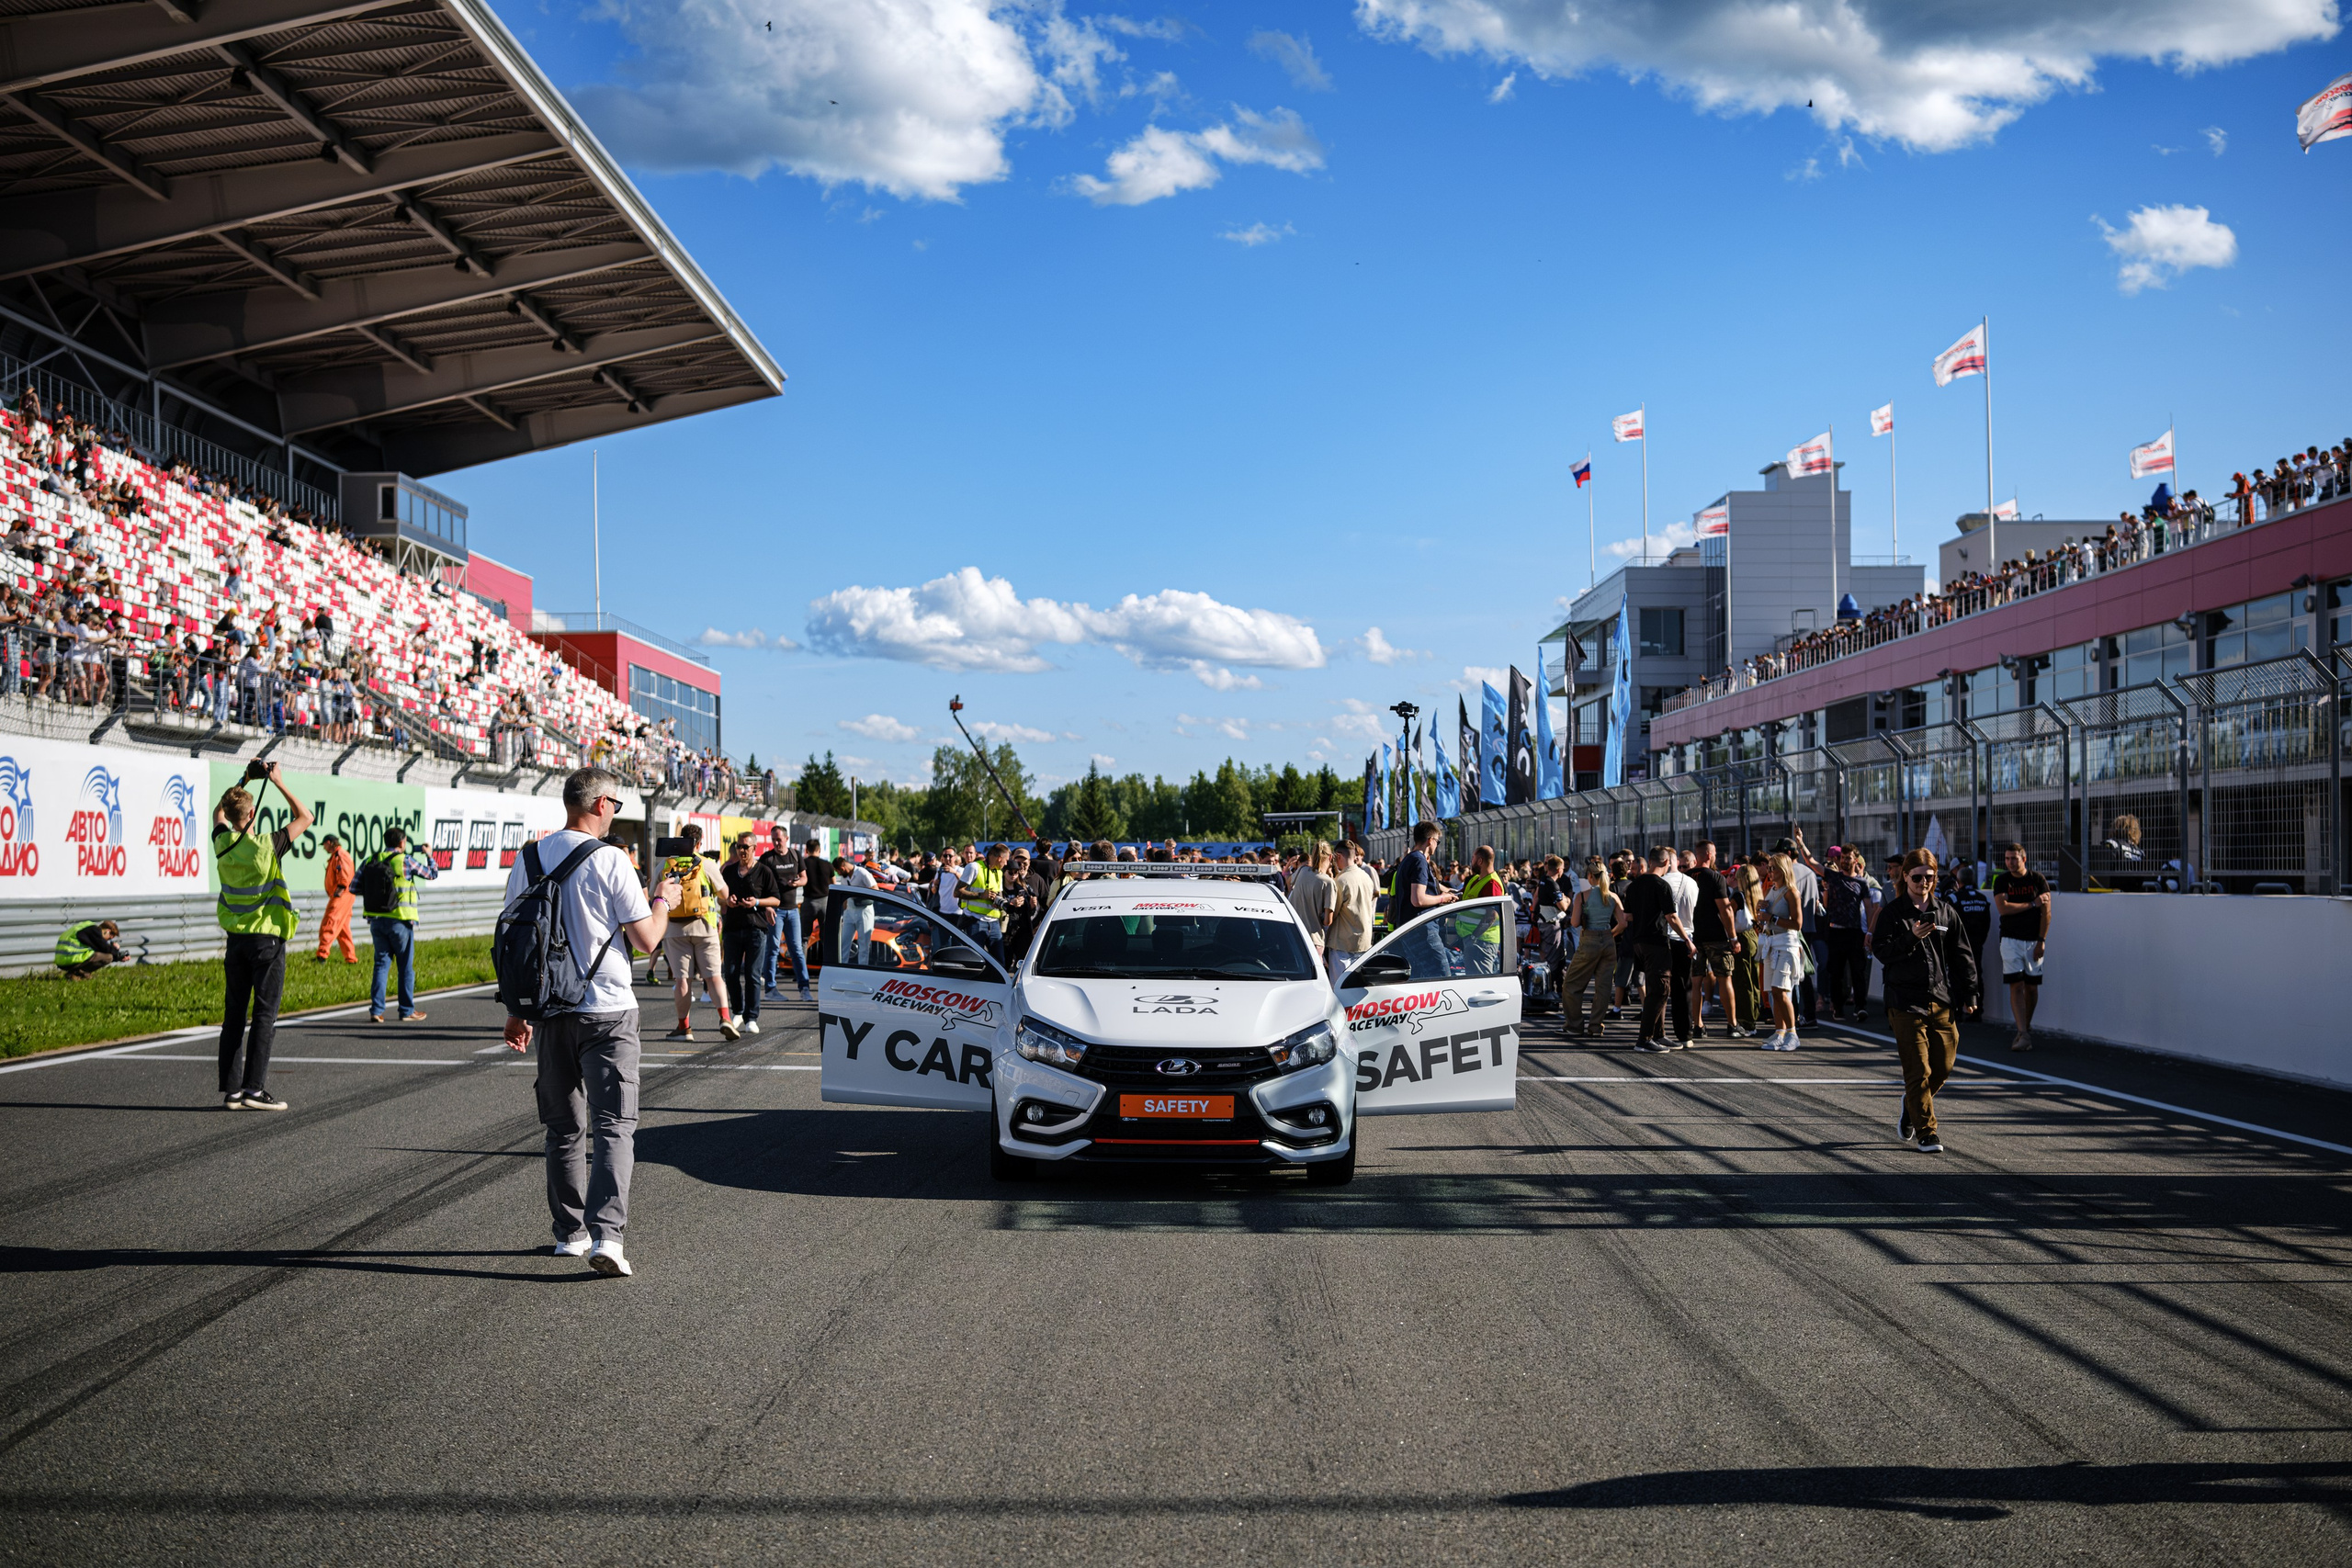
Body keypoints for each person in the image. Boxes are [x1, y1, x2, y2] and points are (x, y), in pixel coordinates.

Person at [502, 767, 683, 1279]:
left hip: (550, 1009)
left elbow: (517, 941)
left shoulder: (530, 856)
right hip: (606, 1009)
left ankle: (569, 1234)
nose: (614, 813)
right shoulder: (611, 859)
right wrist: (663, 900)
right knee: (614, 1127)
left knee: (562, 1129)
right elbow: (647, 940)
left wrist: (517, 1011)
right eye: (617, 805)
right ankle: (609, 1236)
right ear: (601, 803)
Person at [212, 761, 311, 1110]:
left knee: (235, 1016)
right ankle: (255, 1089)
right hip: (267, 941)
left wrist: (245, 779)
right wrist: (278, 782)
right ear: (252, 812)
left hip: (236, 942)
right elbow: (306, 817)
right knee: (264, 1016)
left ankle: (233, 1091)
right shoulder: (267, 845)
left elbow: (218, 813)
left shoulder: (222, 844)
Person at [1871, 849, 1982, 1155]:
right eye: (1917, 877)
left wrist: (1971, 993)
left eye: (1929, 877)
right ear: (1905, 876)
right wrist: (1911, 937)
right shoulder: (1893, 913)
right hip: (1904, 1001)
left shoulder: (1946, 912)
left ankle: (1911, 1105)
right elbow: (1882, 952)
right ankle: (1926, 1131)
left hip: (1941, 1000)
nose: (1923, 883)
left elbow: (1963, 955)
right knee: (1917, 1070)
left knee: (1943, 1066)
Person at [660, 826, 739, 1043]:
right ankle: (725, 1019)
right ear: (699, 843)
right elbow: (725, 893)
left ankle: (684, 1028)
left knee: (682, 980)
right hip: (705, 926)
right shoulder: (706, 863)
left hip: (674, 929)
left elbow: (653, 891)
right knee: (713, 977)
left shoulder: (667, 863)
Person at [362, 826, 439, 1023]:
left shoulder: (370, 860)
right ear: (402, 842)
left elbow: (354, 886)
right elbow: (432, 874)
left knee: (380, 965)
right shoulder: (405, 860)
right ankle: (406, 1010)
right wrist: (429, 855)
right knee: (405, 967)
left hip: (376, 921)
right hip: (401, 921)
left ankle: (377, 1011)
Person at [1623, 845, 1693, 1052]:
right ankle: (1644, 1039)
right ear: (1666, 863)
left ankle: (1659, 1034)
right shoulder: (1662, 885)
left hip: (1638, 942)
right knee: (1661, 989)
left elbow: (1627, 916)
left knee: (1658, 988)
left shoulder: (1634, 886)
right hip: (1656, 942)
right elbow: (1671, 916)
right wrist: (1687, 940)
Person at [1989, 841, 2051, 1051]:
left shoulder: (2037, 880)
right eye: (2007, 859)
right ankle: (2023, 1032)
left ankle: (2025, 1025)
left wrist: (2041, 941)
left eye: (2014, 859)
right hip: (2010, 940)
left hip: (2033, 941)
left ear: (2024, 859)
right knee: (2016, 986)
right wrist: (2032, 904)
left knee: (2031, 988)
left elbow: (2047, 913)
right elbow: (2003, 908)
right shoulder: (2002, 881)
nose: (2010, 863)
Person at [719, 833, 780, 1037]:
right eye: (739, 847)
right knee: (730, 972)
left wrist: (757, 903)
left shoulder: (764, 871)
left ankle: (751, 1017)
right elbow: (719, 898)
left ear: (754, 848)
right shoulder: (728, 871)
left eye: (746, 847)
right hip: (733, 928)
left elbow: (776, 900)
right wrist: (727, 901)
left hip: (756, 929)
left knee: (753, 975)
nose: (742, 851)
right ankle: (737, 1011)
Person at [1687, 842, 1747, 1041]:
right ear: (1709, 855)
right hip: (1716, 937)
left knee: (1696, 982)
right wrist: (1733, 937)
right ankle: (1732, 1024)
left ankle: (1698, 1025)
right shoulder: (1715, 878)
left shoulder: (1686, 877)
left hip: (1694, 937)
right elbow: (1725, 909)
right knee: (1724, 979)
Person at [1560, 859, 1626, 1038]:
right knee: (1603, 987)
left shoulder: (1582, 896)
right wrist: (1610, 934)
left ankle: (1574, 1024)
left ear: (1590, 876)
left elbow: (1574, 923)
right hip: (1607, 940)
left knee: (1572, 984)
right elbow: (1622, 923)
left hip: (1589, 940)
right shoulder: (1612, 896)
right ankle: (1596, 1027)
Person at [1388, 821, 1458, 973]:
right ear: (1430, 840)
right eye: (1437, 841)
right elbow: (1418, 899)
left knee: (1422, 980)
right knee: (1442, 976)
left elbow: (1425, 886)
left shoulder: (1409, 859)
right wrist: (1442, 899)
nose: (1437, 845)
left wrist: (1449, 892)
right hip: (1422, 930)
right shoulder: (1419, 860)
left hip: (1411, 930)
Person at [1756, 852, 1806, 1051]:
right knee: (1773, 992)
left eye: (1773, 868)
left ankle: (1792, 1033)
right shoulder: (1772, 889)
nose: (1769, 871)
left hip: (1786, 944)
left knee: (1782, 990)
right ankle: (1780, 1032)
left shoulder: (1791, 892)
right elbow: (1765, 918)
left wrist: (1772, 918)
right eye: (1768, 867)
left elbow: (1798, 923)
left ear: (1783, 869)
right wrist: (1761, 912)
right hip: (1771, 944)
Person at [1817, 847, 1873, 1022]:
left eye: (1848, 858)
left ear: (1856, 861)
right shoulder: (1833, 877)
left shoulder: (1862, 883)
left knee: (1858, 971)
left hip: (1855, 932)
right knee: (1837, 972)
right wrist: (1801, 843)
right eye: (1842, 857)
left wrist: (1870, 932)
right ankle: (1838, 1008)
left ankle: (1860, 1007)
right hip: (1835, 931)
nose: (1844, 861)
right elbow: (1813, 864)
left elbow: (1870, 908)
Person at [758, 829, 811, 1003]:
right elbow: (760, 885)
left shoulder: (795, 855)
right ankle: (771, 989)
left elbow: (805, 878)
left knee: (797, 950)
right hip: (775, 909)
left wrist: (797, 882)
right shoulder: (767, 858)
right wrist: (767, 906)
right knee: (772, 949)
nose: (776, 843)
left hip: (793, 909)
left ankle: (804, 989)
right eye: (773, 840)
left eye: (779, 839)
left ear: (787, 838)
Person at [1325, 839, 1378, 985]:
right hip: (1364, 941)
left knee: (1339, 990)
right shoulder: (1366, 877)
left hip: (1342, 944)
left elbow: (1331, 915)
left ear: (1339, 856)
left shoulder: (1341, 880)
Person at [1286, 840, 1336, 964]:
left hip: (1294, 935)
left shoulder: (1302, 871)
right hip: (1314, 939)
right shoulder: (1328, 882)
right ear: (1330, 857)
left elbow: (1289, 881)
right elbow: (1328, 921)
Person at [313, 833, 356, 964]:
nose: (324, 848)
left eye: (324, 845)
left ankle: (322, 955)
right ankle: (351, 958)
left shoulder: (340, 855)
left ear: (329, 842)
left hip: (342, 894)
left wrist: (340, 889)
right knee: (343, 929)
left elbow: (344, 874)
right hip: (345, 894)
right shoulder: (337, 855)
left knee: (329, 923)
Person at [54, 919, 124, 978]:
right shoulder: (94, 930)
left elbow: (100, 948)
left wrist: (117, 958)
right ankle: (76, 975)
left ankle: (74, 973)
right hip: (70, 960)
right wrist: (116, 951)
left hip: (62, 961)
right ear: (108, 931)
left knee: (97, 954)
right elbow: (105, 949)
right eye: (109, 938)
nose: (106, 941)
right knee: (108, 957)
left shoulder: (85, 927)